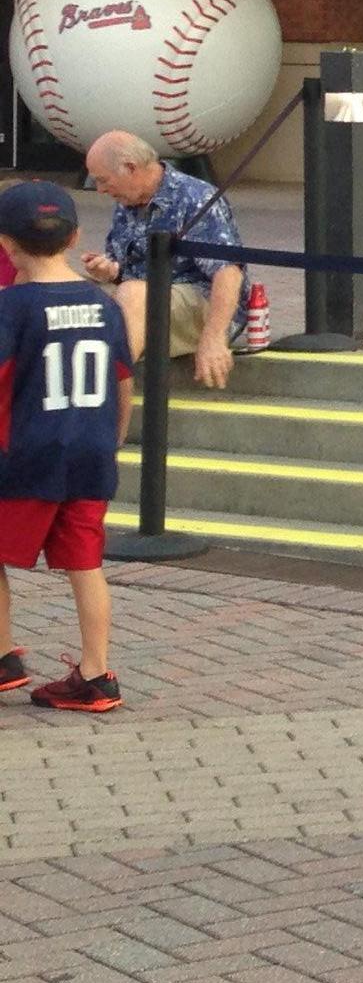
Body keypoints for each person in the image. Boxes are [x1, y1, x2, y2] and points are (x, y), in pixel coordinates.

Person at [0, 184, 131, 713]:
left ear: (6, 245)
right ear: (76, 237)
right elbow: (123, 382)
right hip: (91, 453)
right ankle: (96, 673)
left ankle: (4, 657)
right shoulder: (105, 304)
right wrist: (113, 443)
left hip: (24, 455)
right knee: (85, 564)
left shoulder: (11, 308)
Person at [79, 133, 241, 390]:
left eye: (103, 180)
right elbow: (130, 268)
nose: (100, 190)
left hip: (200, 301)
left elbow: (228, 272)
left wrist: (214, 337)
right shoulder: (127, 200)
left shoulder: (194, 197)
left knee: (132, 292)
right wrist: (111, 271)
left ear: (131, 169)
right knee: (70, 290)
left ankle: (102, 390)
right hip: (142, 295)